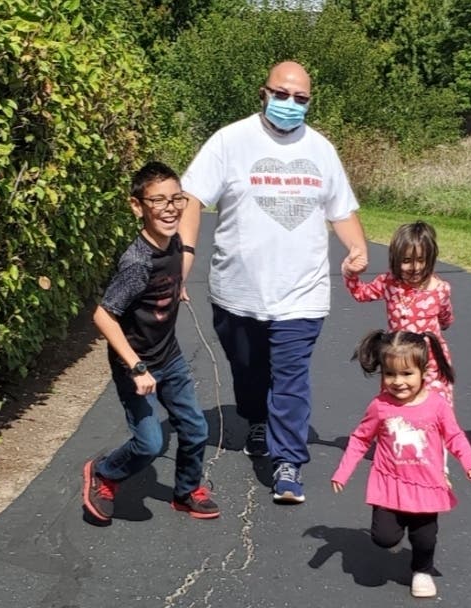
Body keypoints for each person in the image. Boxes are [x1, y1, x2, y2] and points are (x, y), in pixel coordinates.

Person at [179, 60, 368, 505]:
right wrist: (185, 256)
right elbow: (192, 198)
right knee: (248, 370)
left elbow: (341, 209)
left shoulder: (321, 149)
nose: (290, 104)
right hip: (236, 291)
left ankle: (288, 464)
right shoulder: (230, 141)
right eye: (282, 95)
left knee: (291, 379)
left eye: (300, 99)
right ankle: (256, 418)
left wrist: (357, 249)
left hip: (301, 293)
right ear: (263, 93)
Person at [82, 161, 219, 522]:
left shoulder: (173, 242)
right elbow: (102, 315)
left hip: (169, 357)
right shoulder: (137, 262)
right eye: (157, 201)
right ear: (137, 206)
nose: (170, 208)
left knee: (195, 428)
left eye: (177, 199)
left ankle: (186, 490)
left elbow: (172, 269)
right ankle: (104, 473)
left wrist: (175, 288)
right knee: (149, 444)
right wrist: (137, 366)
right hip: (136, 364)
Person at [331, 330, 471, 599]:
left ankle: (422, 570)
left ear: (424, 372)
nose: (398, 382)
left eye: (407, 374)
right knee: (384, 538)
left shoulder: (437, 405)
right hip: (389, 482)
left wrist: (469, 462)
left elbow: (454, 436)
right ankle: (394, 538)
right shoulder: (380, 406)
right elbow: (360, 439)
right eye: (390, 374)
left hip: (426, 484)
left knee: (424, 538)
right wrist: (343, 473)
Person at [342, 221, 454, 404]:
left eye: (421, 260)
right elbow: (361, 294)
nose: (415, 268)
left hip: (430, 358)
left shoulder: (440, 289)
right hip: (399, 358)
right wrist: (350, 273)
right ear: (396, 260)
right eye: (407, 261)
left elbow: (446, 316)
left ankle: (438, 433)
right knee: (397, 403)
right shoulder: (389, 283)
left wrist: (445, 322)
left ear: (430, 259)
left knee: (436, 403)